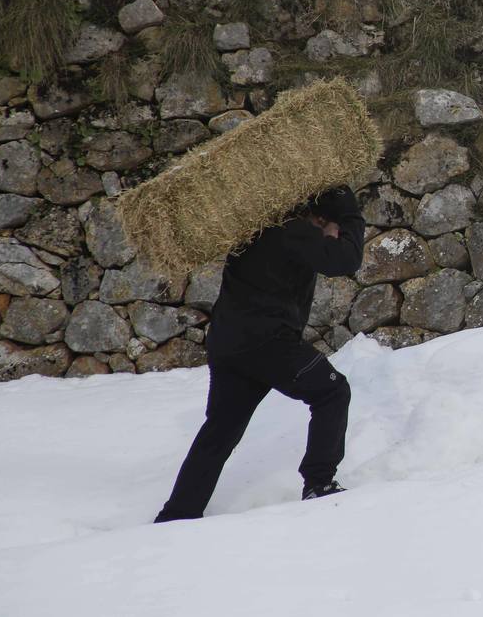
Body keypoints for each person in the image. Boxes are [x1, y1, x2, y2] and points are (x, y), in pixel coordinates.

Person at [155, 184, 365, 523]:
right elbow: (344, 259)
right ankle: (319, 483)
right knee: (332, 391)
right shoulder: (292, 230)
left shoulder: (253, 227)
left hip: (229, 343)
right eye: (324, 221)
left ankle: (177, 514)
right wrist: (349, 214)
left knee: (221, 430)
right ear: (316, 214)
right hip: (268, 344)